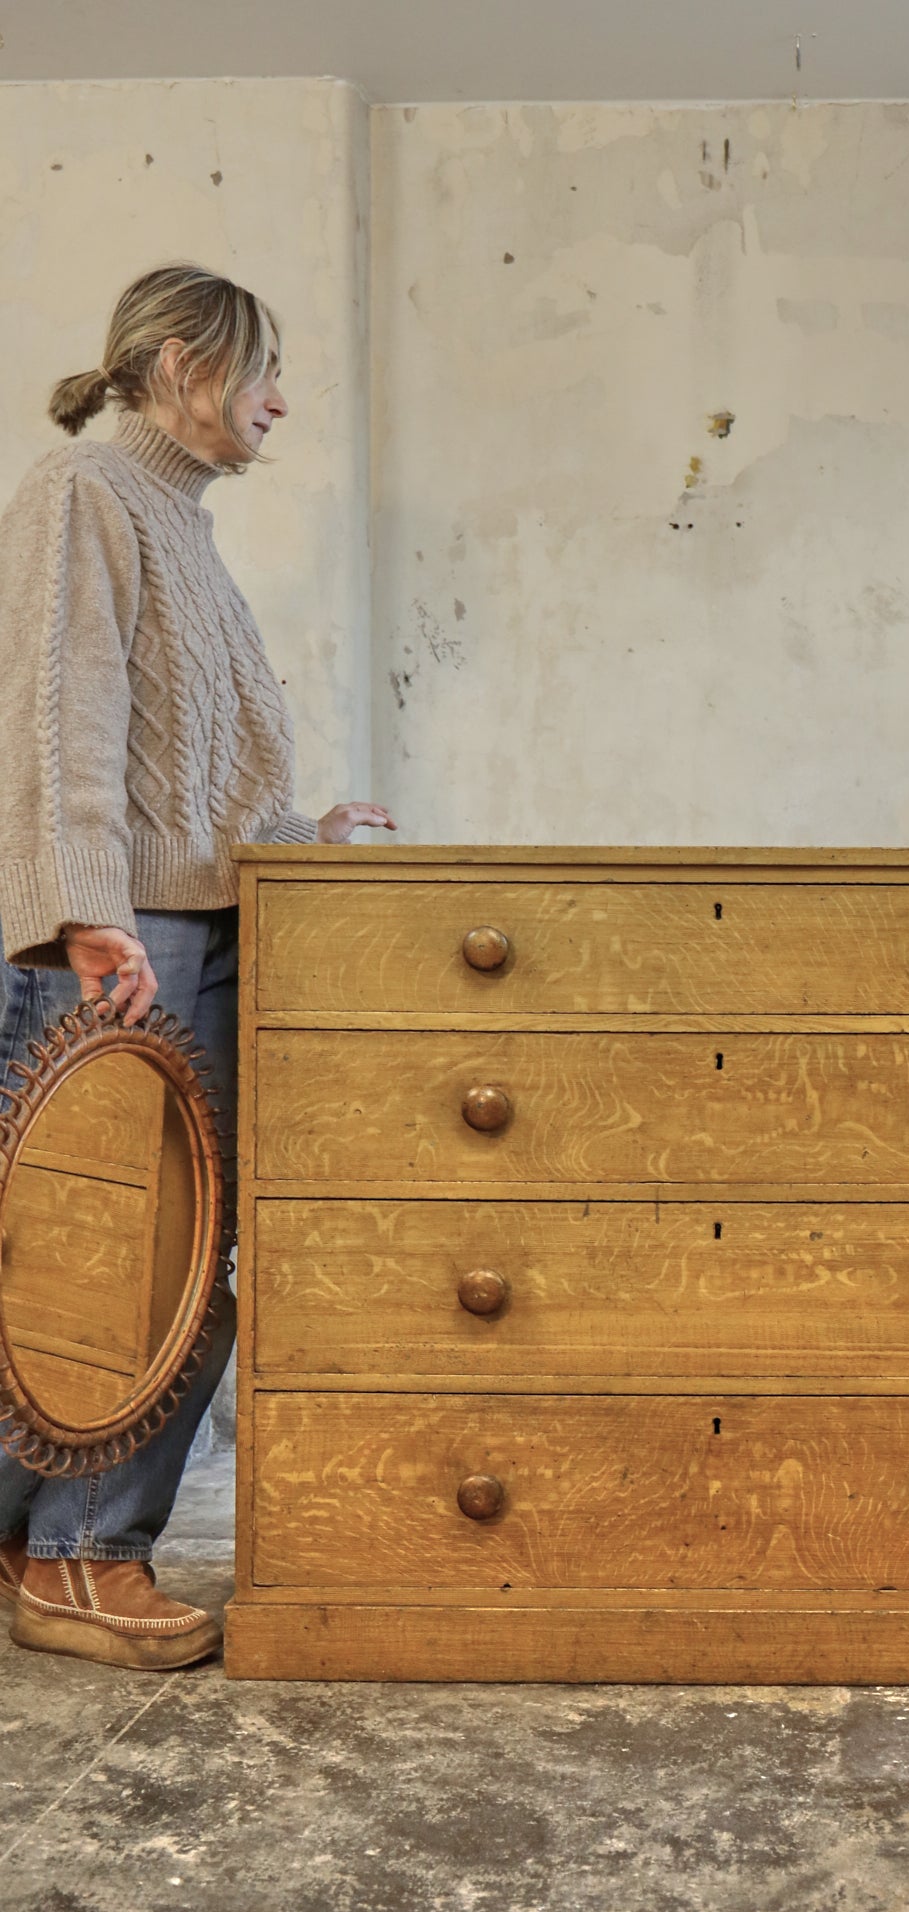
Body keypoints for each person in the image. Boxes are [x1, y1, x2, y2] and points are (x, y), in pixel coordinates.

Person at [0, 263, 395, 1669]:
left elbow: (201, 775)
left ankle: (37, 1545)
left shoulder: (182, 523)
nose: (279, 393)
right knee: (124, 1272)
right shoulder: (87, 494)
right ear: (181, 363)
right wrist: (86, 913)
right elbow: (65, 717)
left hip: (189, 929)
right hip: (127, 944)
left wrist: (301, 834)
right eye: (259, 364)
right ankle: (81, 1563)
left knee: (144, 1260)